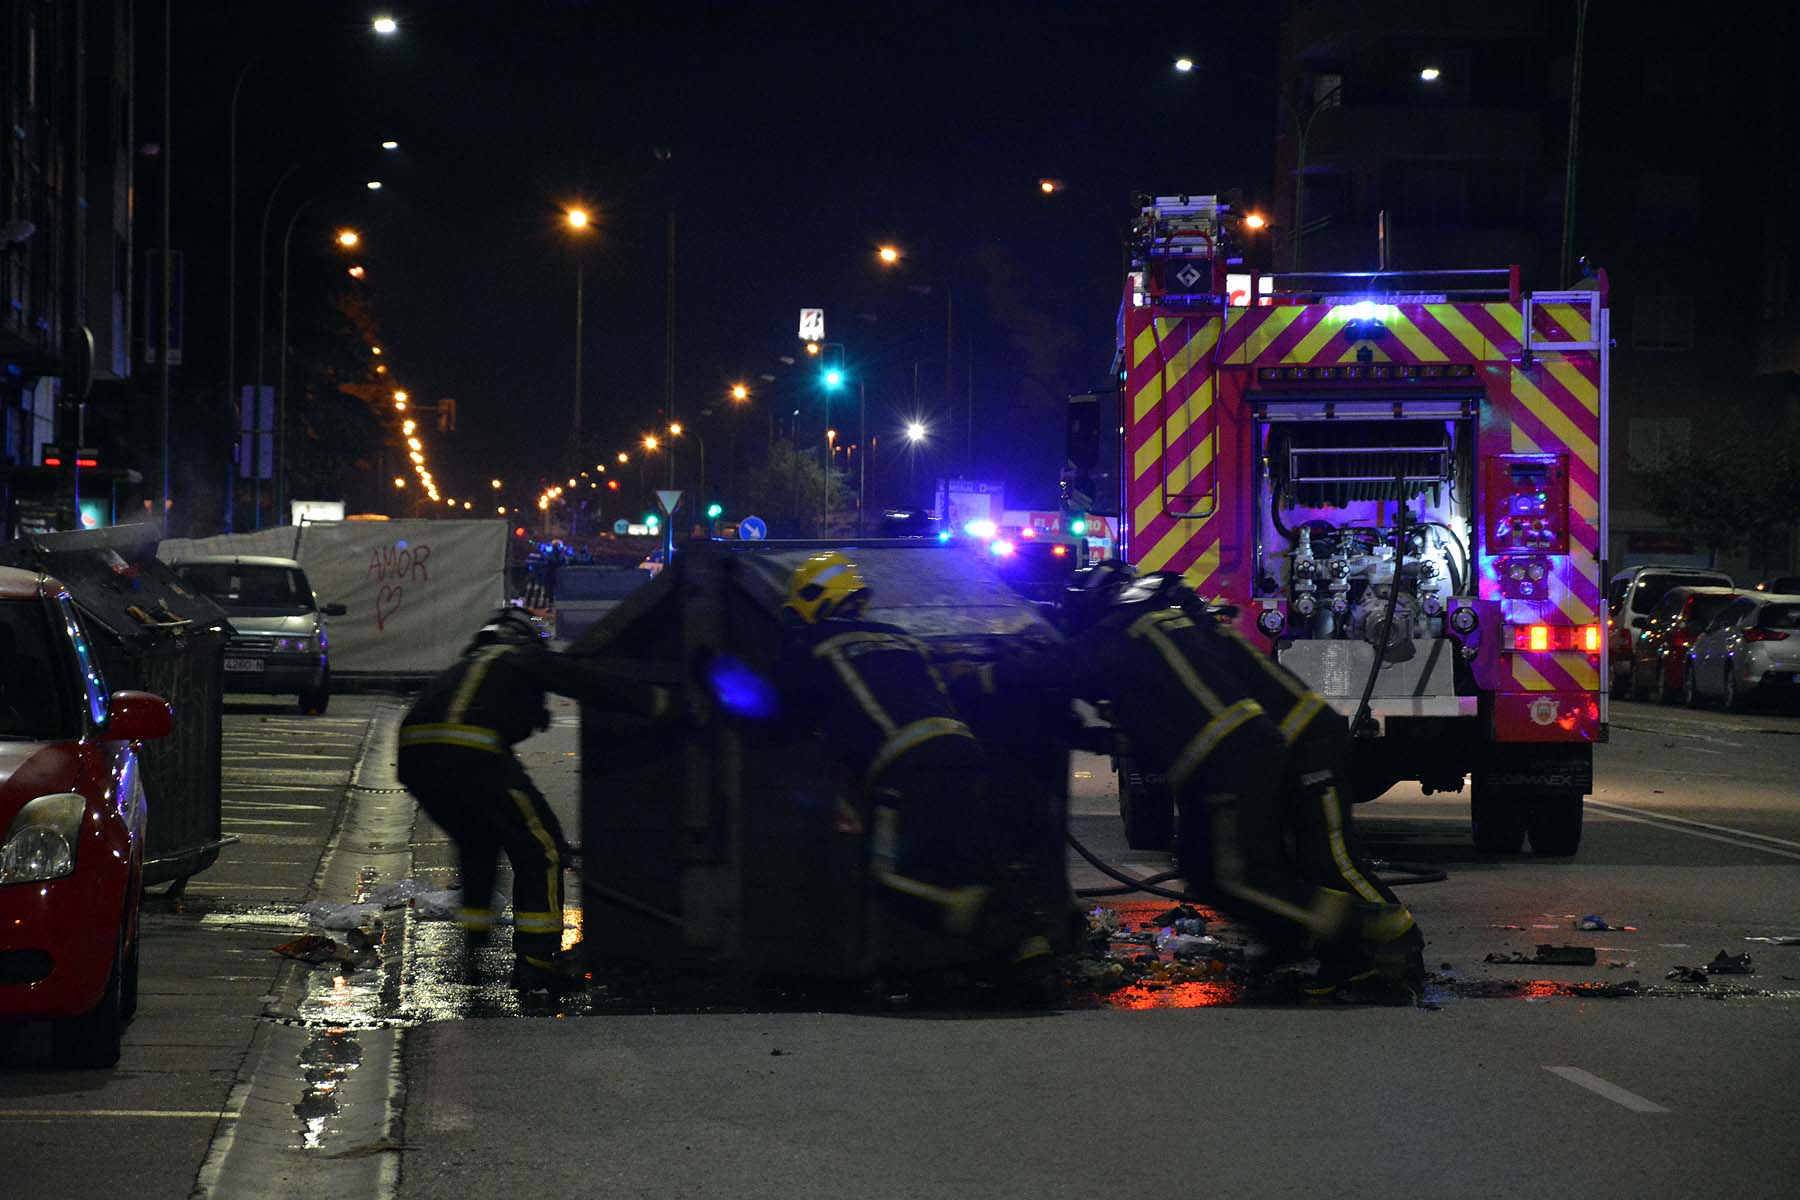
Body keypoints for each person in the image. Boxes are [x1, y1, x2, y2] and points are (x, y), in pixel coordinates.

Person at [969, 562, 1423, 1000]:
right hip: (1255, 748)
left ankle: (1383, 934)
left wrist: (978, 678)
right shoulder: (1172, 629)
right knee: (1209, 868)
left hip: (1267, 749)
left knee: (1300, 866)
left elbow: (1060, 671)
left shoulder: (1125, 632)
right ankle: (1296, 942)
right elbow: (1143, 724)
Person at [775, 552, 1053, 992]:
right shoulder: (903, 638)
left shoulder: (813, 645)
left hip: (905, 769)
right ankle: (1030, 954)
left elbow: (775, 716)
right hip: (967, 757)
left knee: (884, 877)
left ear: (809, 601)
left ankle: (973, 918)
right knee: (974, 862)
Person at [396, 606, 680, 993]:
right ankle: (538, 961)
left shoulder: (469, 667)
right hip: (470, 754)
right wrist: (661, 703)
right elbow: (586, 683)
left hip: (417, 763)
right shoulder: (517, 654)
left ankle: (475, 943)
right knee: (541, 847)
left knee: (479, 842)